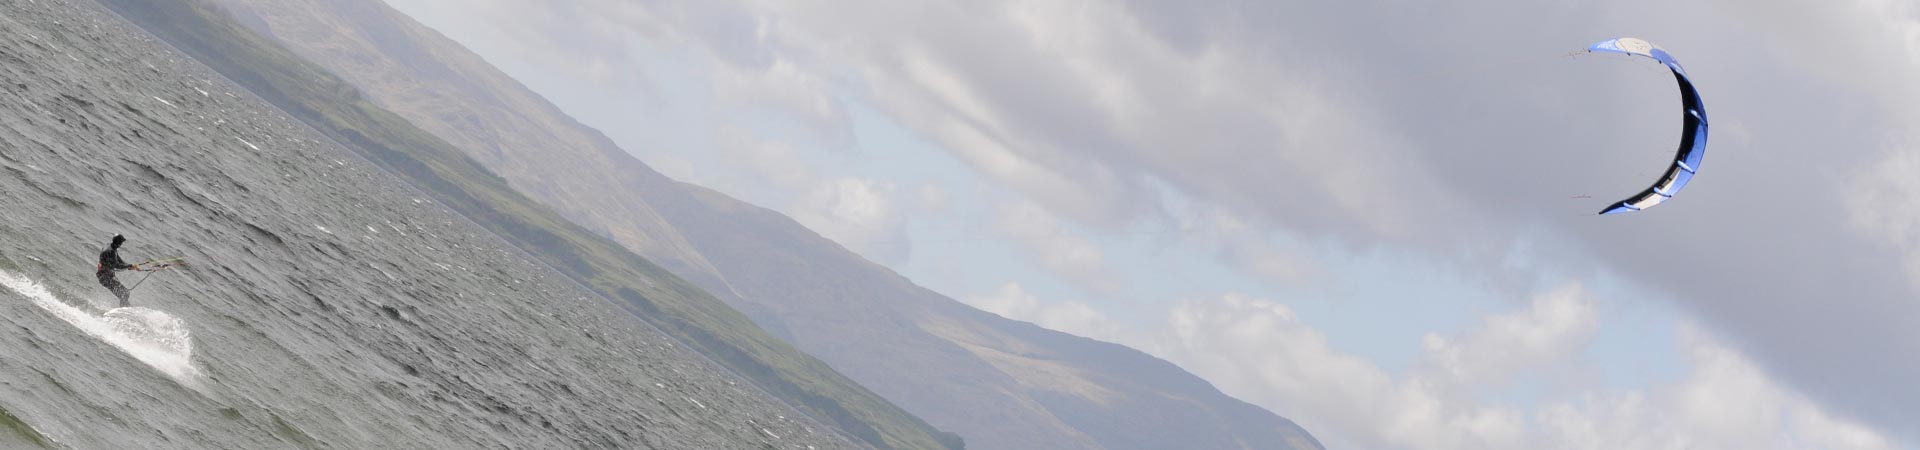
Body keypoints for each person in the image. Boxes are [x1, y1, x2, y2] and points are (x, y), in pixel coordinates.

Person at [96, 234, 140, 307]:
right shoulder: (111, 251)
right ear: (119, 243)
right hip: (105, 277)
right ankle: (124, 310)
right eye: (121, 242)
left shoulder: (111, 246)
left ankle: (125, 308)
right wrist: (129, 266)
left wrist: (130, 266)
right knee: (125, 293)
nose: (121, 244)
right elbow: (117, 265)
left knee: (124, 294)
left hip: (106, 275)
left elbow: (119, 260)